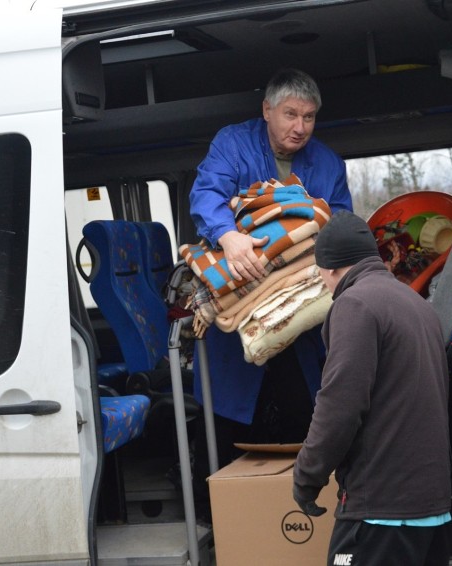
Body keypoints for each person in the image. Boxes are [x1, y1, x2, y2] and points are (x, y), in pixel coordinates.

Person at [188, 68, 353, 515]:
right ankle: (231, 524)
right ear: (267, 111)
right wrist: (228, 235)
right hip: (237, 318)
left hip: (301, 317)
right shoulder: (233, 143)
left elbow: (339, 227)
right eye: (290, 114)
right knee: (231, 424)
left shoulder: (329, 164)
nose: (300, 127)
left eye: (309, 117)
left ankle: (300, 521)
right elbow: (207, 196)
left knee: (307, 419)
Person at [293, 211, 452, 566]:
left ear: (331, 268)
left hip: (381, 511)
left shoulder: (355, 305)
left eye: (321, 273)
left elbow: (339, 406)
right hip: (431, 509)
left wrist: (307, 478)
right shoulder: (416, 303)